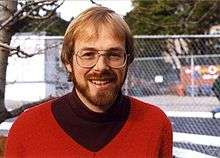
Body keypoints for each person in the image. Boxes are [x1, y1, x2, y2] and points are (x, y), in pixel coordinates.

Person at [5, 6, 173, 157]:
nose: (101, 67)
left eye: (114, 54)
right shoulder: (28, 129)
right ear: (67, 62)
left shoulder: (155, 125)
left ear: (127, 60)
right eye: (88, 54)